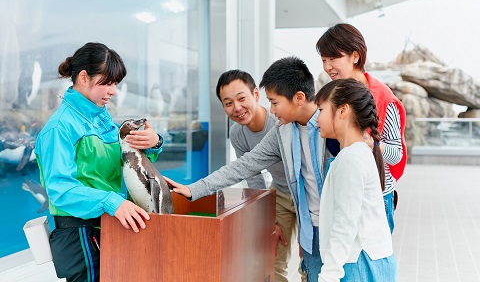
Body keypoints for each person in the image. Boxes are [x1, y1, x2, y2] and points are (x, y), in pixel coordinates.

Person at [166, 56, 336, 282]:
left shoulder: (329, 123)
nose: (272, 110)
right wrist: (194, 189)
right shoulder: (281, 130)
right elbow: (246, 167)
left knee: (325, 267)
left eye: (274, 102)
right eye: (228, 103)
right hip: (288, 195)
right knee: (283, 260)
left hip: (326, 207)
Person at [35, 42, 164, 282]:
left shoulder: (101, 118)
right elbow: (60, 190)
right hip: (80, 236)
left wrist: (153, 142)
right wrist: (112, 201)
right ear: (84, 77)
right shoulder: (59, 128)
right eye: (107, 82)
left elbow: (126, 161)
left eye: (115, 83)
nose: (113, 90)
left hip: (110, 226)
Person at [316, 23, 407, 233]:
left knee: (372, 261)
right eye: (324, 60)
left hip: (375, 195)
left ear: (355, 56)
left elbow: (397, 154)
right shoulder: (331, 94)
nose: (328, 66)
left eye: (333, 58)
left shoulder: (384, 99)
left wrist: (372, 144)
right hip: (342, 192)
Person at [216, 69, 305, 282]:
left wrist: (308, 223)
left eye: (241, 98)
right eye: (228, 103)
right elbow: (253, 176)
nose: (236, 108)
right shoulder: (237, 133)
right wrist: (267, 220)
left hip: (305, 193)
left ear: (256, 94)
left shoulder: (281, 121)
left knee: (309, 262)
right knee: (271, 258)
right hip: (280, 193)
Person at [315, 78, 397, 281]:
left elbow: (345, 224)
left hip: (360, 263)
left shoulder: (351, 157)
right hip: (366, 260)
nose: (316, 119)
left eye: (322, 110)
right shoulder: (357, 153)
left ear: (343, 110)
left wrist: (328, 275)